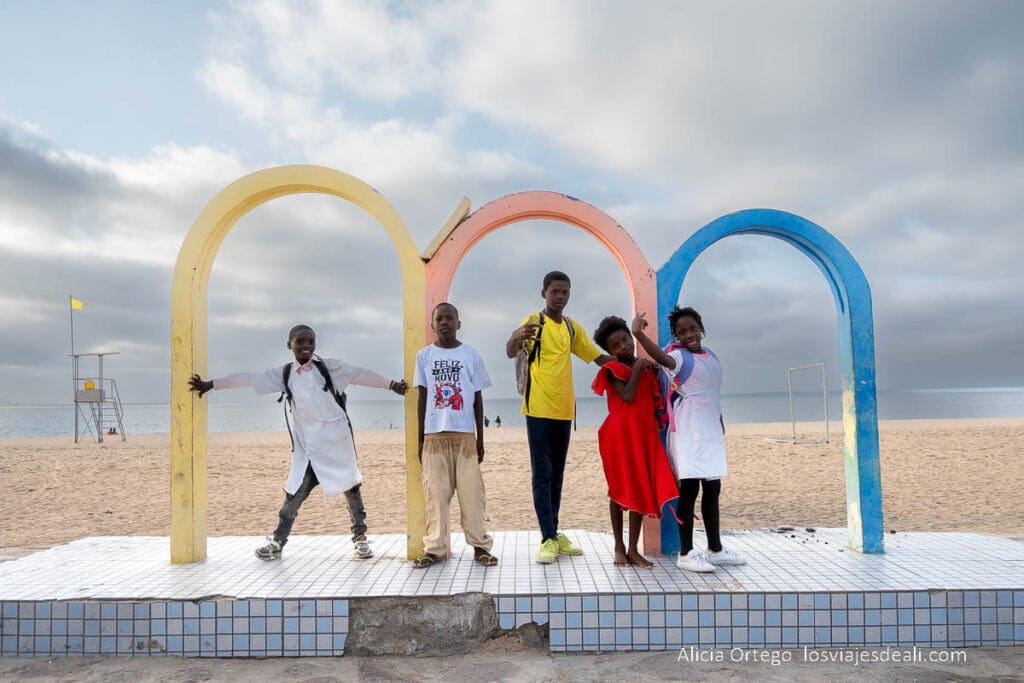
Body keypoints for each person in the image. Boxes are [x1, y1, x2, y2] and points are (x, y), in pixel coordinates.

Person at [189, 324, 408, 561]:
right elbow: (250, 379)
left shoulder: (329, 368)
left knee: (352, 491)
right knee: (292, 498)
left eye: (309, 342)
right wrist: (211, 385)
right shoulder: (284, 374)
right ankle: (277, 542)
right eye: (300, 342)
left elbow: (360, 374)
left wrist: (392, 385)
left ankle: (361, 540)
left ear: (315, 345)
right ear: (289, 345)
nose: (305, 346)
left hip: (335, 445)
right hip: (308, 451)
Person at [505, 270, 611, 564]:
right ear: (544, 293)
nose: (560, 297)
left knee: (557, 477)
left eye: (565, 292)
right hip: (537, 409)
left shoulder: (571, 328)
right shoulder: (534, 322)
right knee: (542, 475)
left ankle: (554, 532)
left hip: (564, 412)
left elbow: (597, 357)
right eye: (555, 292)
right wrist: (514, 336)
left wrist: (631, 363)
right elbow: (510, 351)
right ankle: (547, 538)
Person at [632, 307, 746, 572]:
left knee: (713, 489)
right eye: (682, 331)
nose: (689, 335)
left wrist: (720, 423)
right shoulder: (679, 357)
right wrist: (638, 334)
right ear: (677, 336)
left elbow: (712, 393)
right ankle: (686, 552)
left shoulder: (712, 356)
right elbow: (664, 360)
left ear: (701, 329)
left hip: (710, 430)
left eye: (693, 328)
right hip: (688, 431)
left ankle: (715, 549)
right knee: (689, 489)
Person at [412, 302, 497, 569]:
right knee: (436, 495)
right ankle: (435, 549)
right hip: (434, 438)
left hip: (464, 438)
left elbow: (478, 398)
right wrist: (420, 439)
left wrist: (479, 437)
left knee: (472, 495)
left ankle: (480, 546)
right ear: (433, 325)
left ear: (459, 323)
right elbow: (422, 397)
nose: (445, 322)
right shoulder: (424, 356)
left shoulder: (470, 355)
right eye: (440, 318)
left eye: (450, 318)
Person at [591, 316, 679, 569]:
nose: (624, 347)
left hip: (644, 435)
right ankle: (619, 547)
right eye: (616, 346)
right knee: (619, 491)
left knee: (640, 489)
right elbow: (627, 396)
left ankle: (633, 549)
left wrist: (645, 368)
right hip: (620, 437)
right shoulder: (613, 369)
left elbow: (654, 401)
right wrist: (639, 369)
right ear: (610, 352)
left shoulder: (645, 368)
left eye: (625, 340)